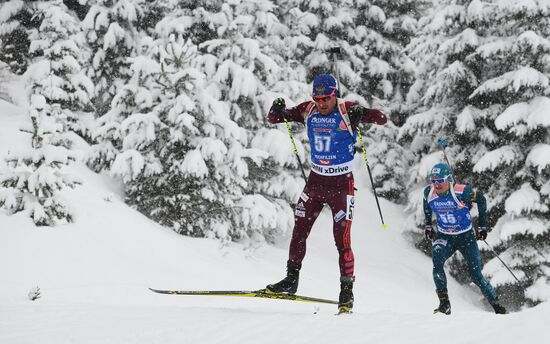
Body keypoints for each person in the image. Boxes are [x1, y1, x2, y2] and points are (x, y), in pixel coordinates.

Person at [264, 73, 387, 313]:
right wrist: (276, 108)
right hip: (316, 182)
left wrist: (362, 113)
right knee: (299, 229)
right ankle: (291, 280)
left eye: (326, 99)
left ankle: (346, 292)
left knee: (341, 239)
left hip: (342, 186)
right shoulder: (307, 110)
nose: (321, 103)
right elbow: (274, 118)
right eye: (317, 98)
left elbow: (381, 118)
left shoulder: (345, 110)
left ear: (335, 95)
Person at [423, 162, 507, 314]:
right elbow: (426, 204)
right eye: (433, 181)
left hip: (465, 237)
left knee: (476, 275)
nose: (436, 185)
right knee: (437, 262)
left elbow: (481, 199)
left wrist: (482, 226)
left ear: (449, 179)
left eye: (440, 181)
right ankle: (444, 305)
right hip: (445, 236)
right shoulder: (429, 192)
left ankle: (498, 306)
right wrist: (428, 225)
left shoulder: (461, 192)